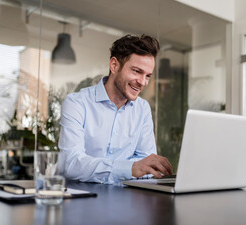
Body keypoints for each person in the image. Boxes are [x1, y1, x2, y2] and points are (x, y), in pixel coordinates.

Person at [57, 34, 173, 184]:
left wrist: (137, 167)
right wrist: (130, 168)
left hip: (126, 199)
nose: (143, 82)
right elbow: (71, 163)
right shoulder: (77, 103)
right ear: (114, 65)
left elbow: (147, 166)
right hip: (81, 198)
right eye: (137, 71)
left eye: (148, 75)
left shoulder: (142, 109)